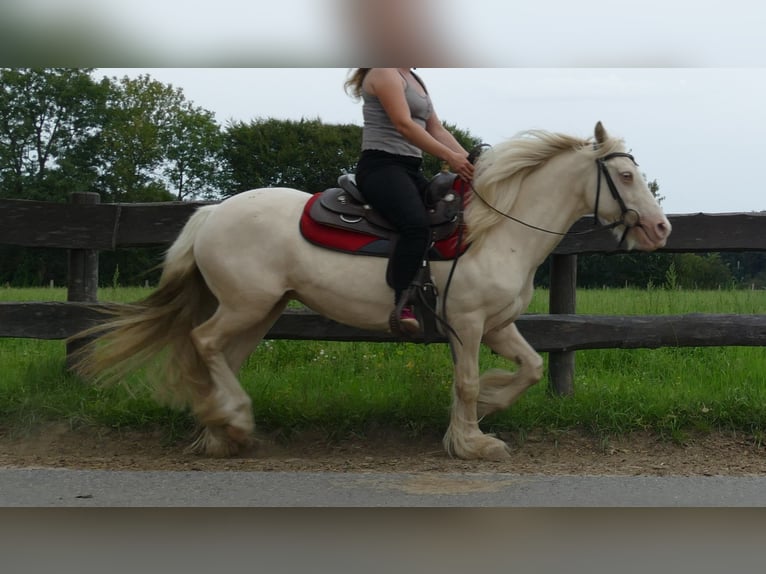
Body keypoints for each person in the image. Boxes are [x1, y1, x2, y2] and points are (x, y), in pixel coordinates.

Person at [344, 68, 474, 334]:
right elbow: (404, 124)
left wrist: (474, 163)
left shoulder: (415, 79)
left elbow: (436, 128)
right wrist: (451, 158)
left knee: (446, 216)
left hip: (409, 169)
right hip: (381, 166)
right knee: (415, 225)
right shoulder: (384, 73)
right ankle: (402, 303)